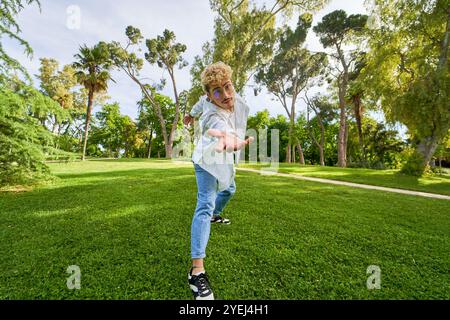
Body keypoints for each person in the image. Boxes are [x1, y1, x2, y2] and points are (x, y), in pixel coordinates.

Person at [186, 61, 253, 300]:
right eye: (217, 92)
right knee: (204, 203)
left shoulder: (213, 98)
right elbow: (219, 130)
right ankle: (196, 271)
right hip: (206, 159)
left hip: (223, 158)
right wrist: (229, 141)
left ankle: (216, 215)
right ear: (209, 96)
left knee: (230, 189)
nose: (225, 95)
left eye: (227, 87)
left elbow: (195, 106)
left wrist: (187, 115)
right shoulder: (213, 116)